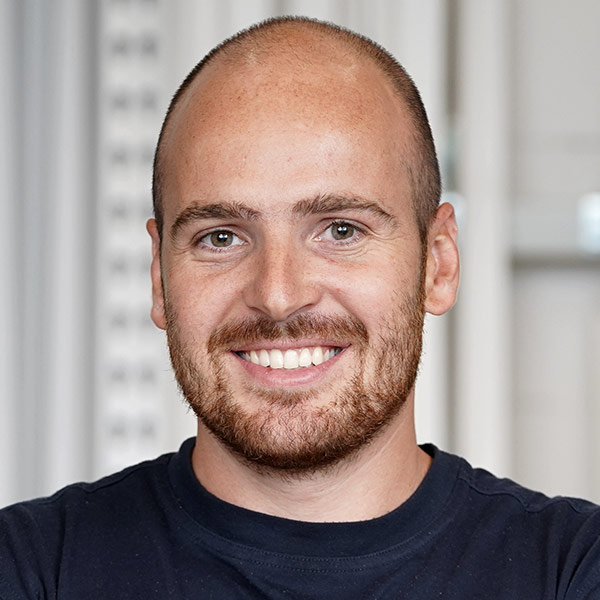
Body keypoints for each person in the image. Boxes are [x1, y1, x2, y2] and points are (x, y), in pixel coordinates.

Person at [1, 16, 599, 599]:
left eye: (340, 230)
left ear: (437, 264)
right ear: (160, 277)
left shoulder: (571, 570)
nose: (279, 296)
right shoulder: (30, 569)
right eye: (221, 237)